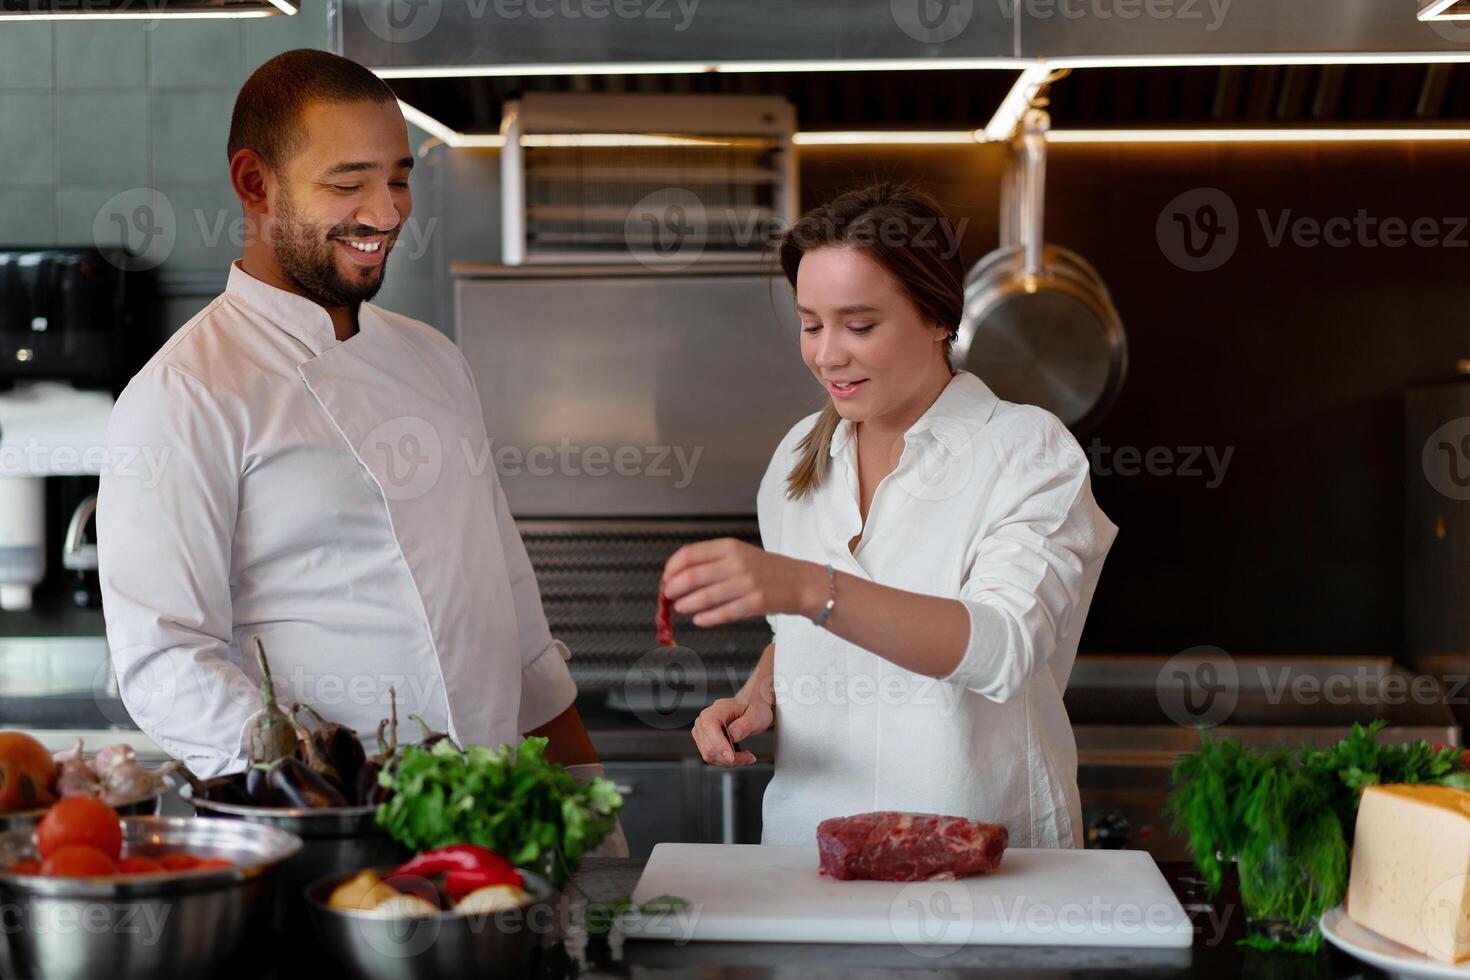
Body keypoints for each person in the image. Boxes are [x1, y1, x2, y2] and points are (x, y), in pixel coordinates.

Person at [97, 49, 613, 826]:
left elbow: (512, 616)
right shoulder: (185, 395)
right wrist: (335, 806)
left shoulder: (435, 360)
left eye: (398, 178)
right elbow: (167, 660)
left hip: (498, 840)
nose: (388, 211)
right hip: (321, 850)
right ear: (254, 183)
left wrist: (592, 828)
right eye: (348, 184)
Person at [664, 184, 1117, 848]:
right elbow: (804, 631)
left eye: (860, 325)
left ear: (938, 318)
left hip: (989, 863)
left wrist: (804, 584)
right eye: (811, 323)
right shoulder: (798, 456)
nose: (826, 354)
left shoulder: (1026, 450)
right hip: (810, 852)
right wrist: (764, 693)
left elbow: (1003, 649)